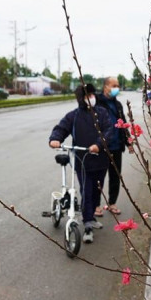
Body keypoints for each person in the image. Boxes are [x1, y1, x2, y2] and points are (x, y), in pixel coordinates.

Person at [49, 84, 113, 243]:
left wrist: (98, 144)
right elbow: (61, 128)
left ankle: (91, 217)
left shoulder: (103, 113)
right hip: (82, 160)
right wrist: (55, 139)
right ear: (80, 99)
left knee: (97, 191)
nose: (91, 98)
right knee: (86, 191)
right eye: (87, 96)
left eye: (92, 94)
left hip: (101, 159)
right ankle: (88, 225)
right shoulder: (74, 116)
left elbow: (109, 131)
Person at [95, 76, 134, 216]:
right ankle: (96, 205)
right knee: (98, 178)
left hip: (116, 146)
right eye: (114, 85)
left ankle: (112, 203)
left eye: (117, 85)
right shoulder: (96, 103)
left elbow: (122, 122)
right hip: (101, 147)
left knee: (115, 177)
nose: (116, 88)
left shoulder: (117, 105)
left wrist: (128, 141)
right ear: (105, 87)